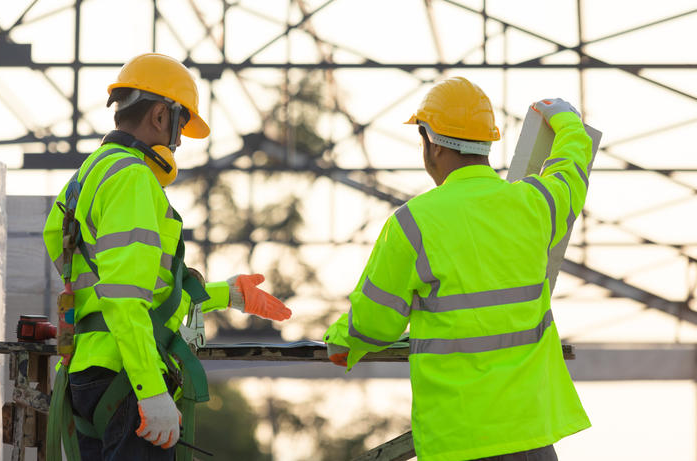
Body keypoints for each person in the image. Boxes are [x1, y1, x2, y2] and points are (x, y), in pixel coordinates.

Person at [323, 76, 591, 461]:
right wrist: (567, 123)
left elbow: (374, 323)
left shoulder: (413, 223)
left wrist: (342, 343)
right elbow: (571, 173)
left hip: (459, 442)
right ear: (487, 143)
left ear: (430, 143)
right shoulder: (534, 205)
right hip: (531, 438)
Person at [43, 53, 292, 460]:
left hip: (88, 371)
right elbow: (124, 298)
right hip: (124, 373)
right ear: (160, 115)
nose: (177, 143)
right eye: (179, 128)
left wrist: (225, 295)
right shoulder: (133, 179)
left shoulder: (87, 176)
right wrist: (151, 389)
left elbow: (109, 283)